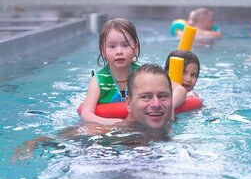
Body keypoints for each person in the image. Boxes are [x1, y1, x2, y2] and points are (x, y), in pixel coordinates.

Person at [13, 64, 174, 160]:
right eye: (146, 97)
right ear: (129, 103)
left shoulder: (169, 127)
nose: (156, 104)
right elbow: (49, 139)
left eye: (163, 96)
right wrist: (32, 144)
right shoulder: (113, 130)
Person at [80, 19, 186, 125]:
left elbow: (180, 90)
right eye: (112, 46)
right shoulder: (98, 81)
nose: (119, 52)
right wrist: (110, 123)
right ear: (103, 51)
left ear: (135, 48)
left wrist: (171, 106)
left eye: (125, 45)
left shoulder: (143, 75)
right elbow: (86, 113)